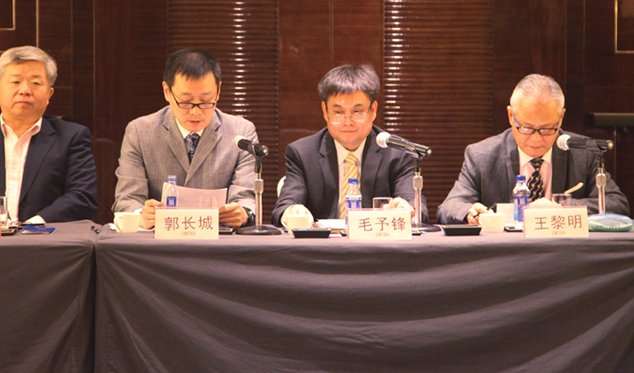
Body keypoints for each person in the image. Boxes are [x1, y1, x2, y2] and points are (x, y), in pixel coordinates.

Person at [437, 74, 630, 224]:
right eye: (526, 128)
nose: (536, 138)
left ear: (561, 118)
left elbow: (617, 204)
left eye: (547, 129)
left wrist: (561, 208)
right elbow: (450, 207)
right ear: (511, 116)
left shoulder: (583, 153)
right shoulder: (482, 156)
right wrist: (470, 213)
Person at [0, 46, 98, 223]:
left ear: (49, 94)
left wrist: (34, 225)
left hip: (45, 236)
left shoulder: (71, 137)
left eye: (35, 83)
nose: (25, 90)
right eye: (15, 82)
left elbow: (82, 197)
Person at [113, 48, 257, 229]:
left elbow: (245, 197)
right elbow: (128, 199)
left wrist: (242, 213)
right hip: (159, 239)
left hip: (219, 238)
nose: (195, 111)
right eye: (186, 101)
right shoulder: (140, 132)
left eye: (206, 101)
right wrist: (141, 215)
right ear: (167, 91)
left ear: (218, 91)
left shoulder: (241, 132)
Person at [271, 64, 429, 226]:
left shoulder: (397, 153)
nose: (347, 122)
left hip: (375, 240)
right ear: (325, 111)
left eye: (357, 112)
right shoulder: (303, 154)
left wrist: (406, 209)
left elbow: (416, 207)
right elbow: (284, 207)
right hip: (322, 241)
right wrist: (292, 211)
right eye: (338, 112)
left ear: (373, 110)